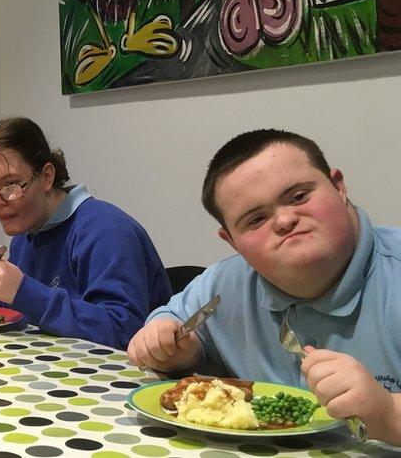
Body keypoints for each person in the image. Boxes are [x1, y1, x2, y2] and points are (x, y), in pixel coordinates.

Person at [127, 129, 401, 445]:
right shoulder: (224, 284)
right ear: (231, 240)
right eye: (256, 219)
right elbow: (168, 321)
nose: (284, 220)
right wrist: (175, 348)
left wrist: (389, 413)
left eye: (299, 197)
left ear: (338, 186)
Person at [0, 117, 171, 349]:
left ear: (47, 177)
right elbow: (37, 315)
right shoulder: (26, 233)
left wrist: (23, 291)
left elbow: (124, 331)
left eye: (10, 184)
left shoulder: (106, 231)